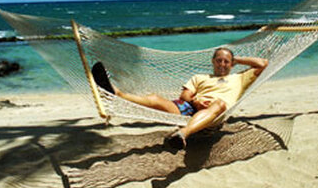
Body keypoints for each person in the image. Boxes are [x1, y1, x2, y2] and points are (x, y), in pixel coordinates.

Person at [91, 47, 268, 149]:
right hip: (189, 109)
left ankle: (182, 134)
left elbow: (263, 64)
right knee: (154, 98)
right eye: (219, 60)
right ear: (213, 62)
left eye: (226, 61)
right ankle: (117, 94)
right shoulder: (200, 77)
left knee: (219, 104)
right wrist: (196, 102)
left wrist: (236, 59)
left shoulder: (239, 78)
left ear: (231, 64)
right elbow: (184, 96)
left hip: (216, 114)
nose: (222, 64)